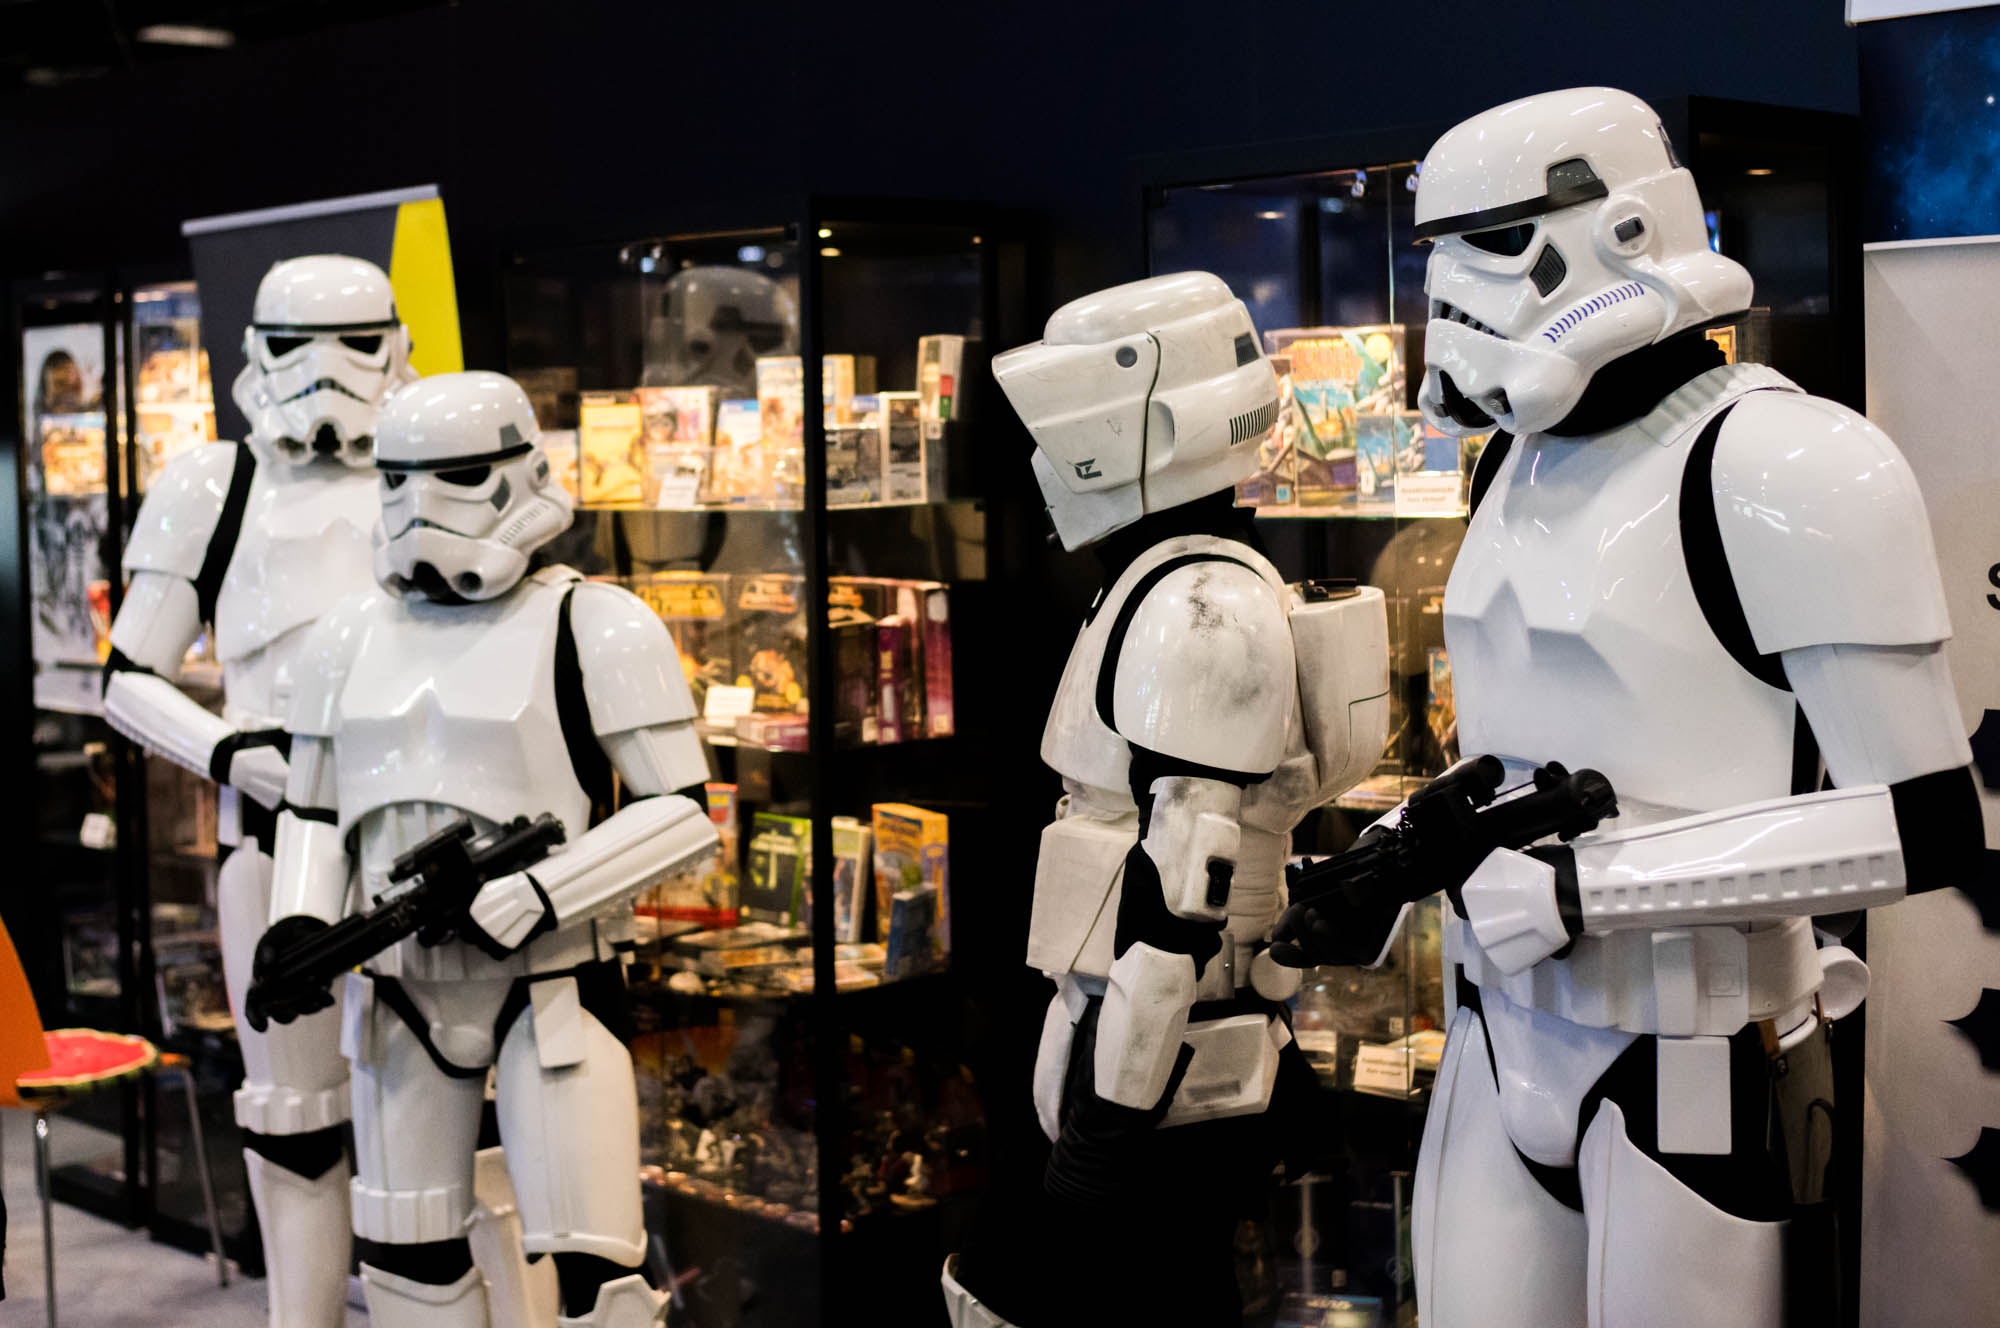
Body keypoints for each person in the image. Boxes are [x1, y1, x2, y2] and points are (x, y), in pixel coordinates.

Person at [1271, 88, 1984, 1327]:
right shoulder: (1510, 463)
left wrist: (1580, 890)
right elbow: (1515, 754)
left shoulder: (1792, 465)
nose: (1454, 295)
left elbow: (1923, 821)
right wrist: (1402, 849)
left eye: (1491, 246)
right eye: (1434, 254)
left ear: (1623, 231)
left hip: (1694, 1047)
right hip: (1495, 1039)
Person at [945, 272, 1391, 1325]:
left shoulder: (1200, 607)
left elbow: (1180, 892)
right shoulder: (1172, 585)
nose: (1044, 454)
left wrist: (1103, 1128)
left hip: (1172, 1061)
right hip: (1144, 1041)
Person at [248, 370, 716, 1327]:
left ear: (523, 473)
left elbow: (684, 811)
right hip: (398, 990)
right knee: (405, 1259)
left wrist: (542, 893)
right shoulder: (345, 637)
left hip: (550, 986)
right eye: (398, 479)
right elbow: (311, 810)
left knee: (600, 1278)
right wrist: (297, 917)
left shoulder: (597, 622)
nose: (419, 508)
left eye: (454, 475)